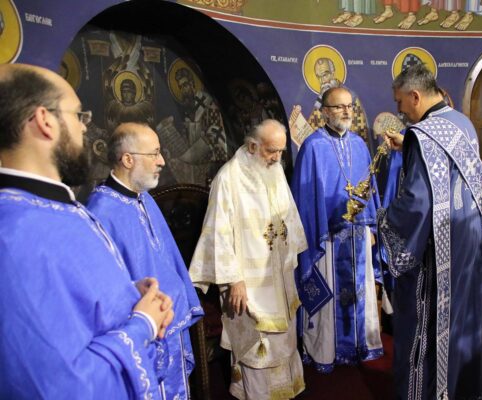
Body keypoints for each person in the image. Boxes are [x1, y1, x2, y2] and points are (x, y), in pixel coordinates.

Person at [0, 63, 174, 398]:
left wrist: (126, 294)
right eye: (79, 115)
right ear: (45, 120)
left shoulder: (58, 208)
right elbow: (55, 386)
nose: (84, 127)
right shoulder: (13, 233)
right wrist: (143, 324)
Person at [378, 64, 482, 399]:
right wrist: (409, 144)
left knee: (426, 321)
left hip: (440, 244)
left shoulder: (423, 136)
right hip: (469, 239)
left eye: (400, 102)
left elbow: (417, 203)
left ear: (415, 96)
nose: (400, 110)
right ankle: (464, 388)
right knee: (464, 318)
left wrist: (384, 221)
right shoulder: (461, 122)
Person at [85, 122, 205, 399]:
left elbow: (168, 258)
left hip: (171, 324)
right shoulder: (101, 213)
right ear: (128, 159)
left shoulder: (144, 198)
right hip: (147, 337)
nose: (162, 161)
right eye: (154, 154)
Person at [189, 119, 307, 399]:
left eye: (281, 151)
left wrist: (290, 258)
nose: (277, 158)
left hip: (277, 277)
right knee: (258, 347)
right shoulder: (228, 179)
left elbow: (289, 217)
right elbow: (217, 234)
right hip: (248, 285)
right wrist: (234, 281)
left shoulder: (274, 169)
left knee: (284, 341)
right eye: (271, 151)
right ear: (253, 146)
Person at [292, 86, 383, 373]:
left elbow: (370, 189)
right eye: (338, 106)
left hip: (357, 235)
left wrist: (370, 225)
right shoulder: (312, 147)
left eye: (349, 106)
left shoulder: (359, 145)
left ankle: (360, 345)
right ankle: (326, 350)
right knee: (331, 292)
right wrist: (323, 223)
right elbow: (305, 199)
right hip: (328, 237)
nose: (346, 111)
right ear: (323, 112)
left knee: (359, 291)